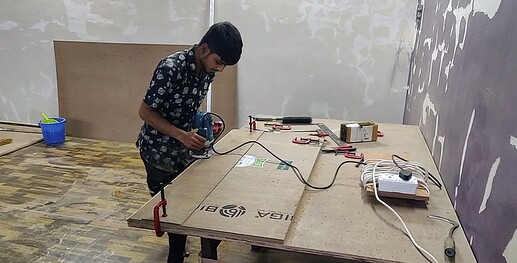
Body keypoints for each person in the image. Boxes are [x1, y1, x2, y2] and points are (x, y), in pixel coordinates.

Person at [136, 21, 243, 263]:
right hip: (157, 150)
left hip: (183, 147)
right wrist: (182, 135)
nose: (220, 69)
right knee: (172, 210)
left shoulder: (207, 71)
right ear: (204, 49)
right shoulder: (170, 68)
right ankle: (176, 253)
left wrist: (199, 129)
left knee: (189, 201)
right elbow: (145, 113)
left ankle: (188, 247)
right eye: (219, 62)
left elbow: (185, 105)